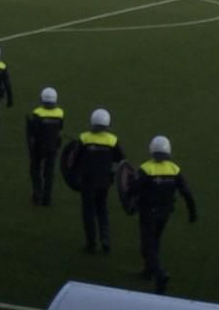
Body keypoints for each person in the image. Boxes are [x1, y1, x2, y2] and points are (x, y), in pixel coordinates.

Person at [127, 135, 197, 294]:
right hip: (165, 213)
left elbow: (134, 189)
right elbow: (186, 192)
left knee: (147, 246)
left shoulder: (146, 168)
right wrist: (192, 211)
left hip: (148, 213)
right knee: (155, 240)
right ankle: (148, 272)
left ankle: (159, 273)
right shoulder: (174, 169)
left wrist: (130, 184)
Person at [77, 108, 125, 254]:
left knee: (88, 212)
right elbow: (121, 161)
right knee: (102, 210)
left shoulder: (84, 138)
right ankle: (106, 241)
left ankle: (91, 244)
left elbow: (74, 161)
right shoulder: (112, 140)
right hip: (104, 183)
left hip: (87, 182)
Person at [26, 87, 64, 205]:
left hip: (39, 146)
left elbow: (34, 132)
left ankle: (38, 193)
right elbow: (60, 128)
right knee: (49, 172)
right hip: (53, 147)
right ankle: (47, 198)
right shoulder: (60, 113)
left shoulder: (37, 113)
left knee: (35, 169)